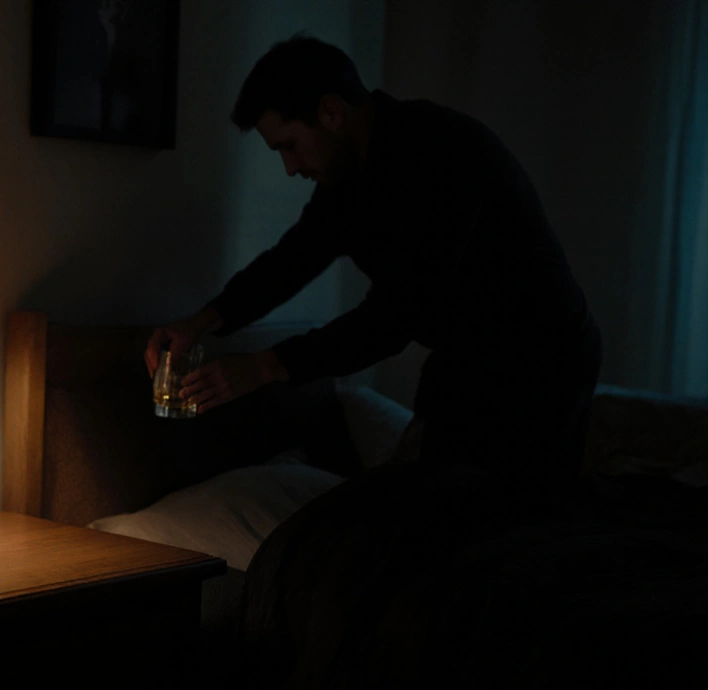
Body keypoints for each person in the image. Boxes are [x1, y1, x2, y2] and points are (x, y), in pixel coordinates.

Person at [145, 33, 603, 492]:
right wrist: (199, 323)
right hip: (464, 357)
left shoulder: (442, 151)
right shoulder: (345, 180)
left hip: (544, 356)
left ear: (330, 112)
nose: (290, 167)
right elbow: (291, 262)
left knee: (512, 523)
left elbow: (394, 316)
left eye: (289, 146)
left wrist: (264, 367)